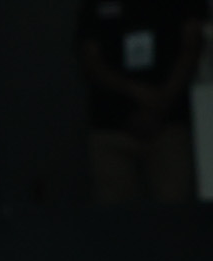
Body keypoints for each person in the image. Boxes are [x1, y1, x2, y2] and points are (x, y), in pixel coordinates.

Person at [77, 0, 205, 204]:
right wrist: (136, 92)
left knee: (174, 211)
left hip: (169, 126)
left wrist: (160, 102)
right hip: (111, 126)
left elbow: (192, 47)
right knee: (115, 213)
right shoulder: (96, 6)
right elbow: (90, 60)